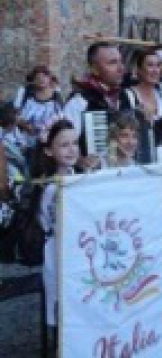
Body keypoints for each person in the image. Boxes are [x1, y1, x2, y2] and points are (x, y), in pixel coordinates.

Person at [36, 118, 79, 326]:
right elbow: (48, 221)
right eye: (64, 145)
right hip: (60, 250)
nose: (72, 150)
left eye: (74, 143)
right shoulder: (52, 187)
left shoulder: (75, 176)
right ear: (49, 151)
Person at [63, 42, 125, 169]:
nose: (121, 68)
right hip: (93, 180)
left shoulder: (125, 97)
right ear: (94, 69)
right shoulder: (79, 102)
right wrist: (80, 160)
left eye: (120, 61)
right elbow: (62, 141)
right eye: (112, 63)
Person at [119, 48, 162, 159]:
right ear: (139, 70)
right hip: (138, 158)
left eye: (158, 66)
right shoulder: (128, 96)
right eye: (150, 65)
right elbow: (120, 130)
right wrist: (137, 115)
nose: (155, 70)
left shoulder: (161, 95)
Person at [13, 65, 63, 150]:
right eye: (38, 77)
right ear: (33, 80)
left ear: (50, 78)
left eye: (44, 76)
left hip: (48, 145)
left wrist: (47, 129)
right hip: (25, 143)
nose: (41, 80)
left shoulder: (56, 96)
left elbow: (61, 119)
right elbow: (13, 116)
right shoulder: (25, 93)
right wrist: (25, 125)